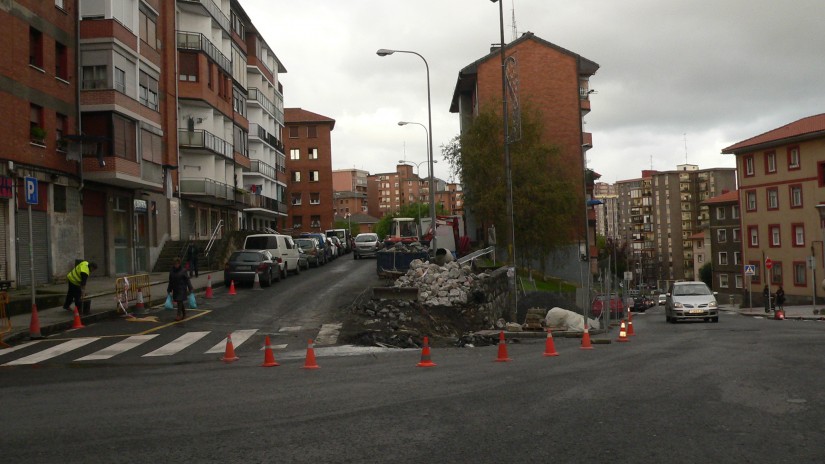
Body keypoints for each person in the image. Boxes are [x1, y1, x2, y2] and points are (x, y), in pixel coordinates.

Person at [167, 257, 193, 321]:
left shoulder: (183, 270)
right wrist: (169, 289)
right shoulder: (172, 271)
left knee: (179, 300)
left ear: (179, 264)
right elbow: (170, 281)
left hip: (182, 288)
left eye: (177, 264)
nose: (176, 265)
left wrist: (190, 288)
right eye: (175, 264)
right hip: (175, 289)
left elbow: (187, 280)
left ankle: (178, 315)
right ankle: (184, 313)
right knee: (179, 301)